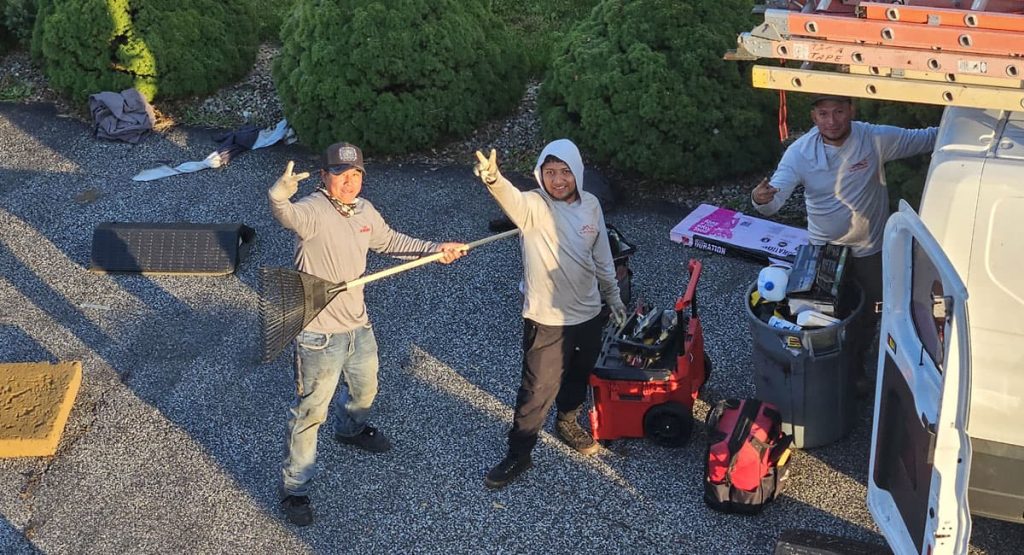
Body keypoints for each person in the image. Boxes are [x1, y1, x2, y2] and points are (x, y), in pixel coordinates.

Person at [268, 142, 467, 526]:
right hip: (319, 335)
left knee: (366, 389)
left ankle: (351, 429)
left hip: (358, 325)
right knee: (311, 412)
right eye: (341, 174)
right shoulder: (312, 211)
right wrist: (279, 193)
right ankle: (295, 489)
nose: (350, 181)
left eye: (356, 173)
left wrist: (435, 249)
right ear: (325, 176)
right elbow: (285, 214)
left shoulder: (364, 211)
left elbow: (390, 242)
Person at [750, 95, 938, 389]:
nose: (832, 121)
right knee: (824, 314)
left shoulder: (873, 139)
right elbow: (774, 199)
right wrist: (759, 200)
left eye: (839, 111)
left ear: (852, 109)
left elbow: (926, 139)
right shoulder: (800, 153)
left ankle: (858, 364)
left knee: (871, 311)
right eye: (823, 113)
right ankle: (829, 369)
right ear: (813, 116)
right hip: (825, 249)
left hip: (869, 248)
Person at [473, 139, 627, 489]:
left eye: (565, 172)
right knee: (537, 389)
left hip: (589, 311)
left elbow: (603, 256)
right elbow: (510, 196)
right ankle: (519, 453)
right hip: (546, 319)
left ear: (577, 173)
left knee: (579, 373)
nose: (558, 180)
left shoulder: (591, 206)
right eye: (550, 172)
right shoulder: (533, 207)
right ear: (540, 174)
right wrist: (493, 178)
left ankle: (567, 420)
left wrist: (613, 298)